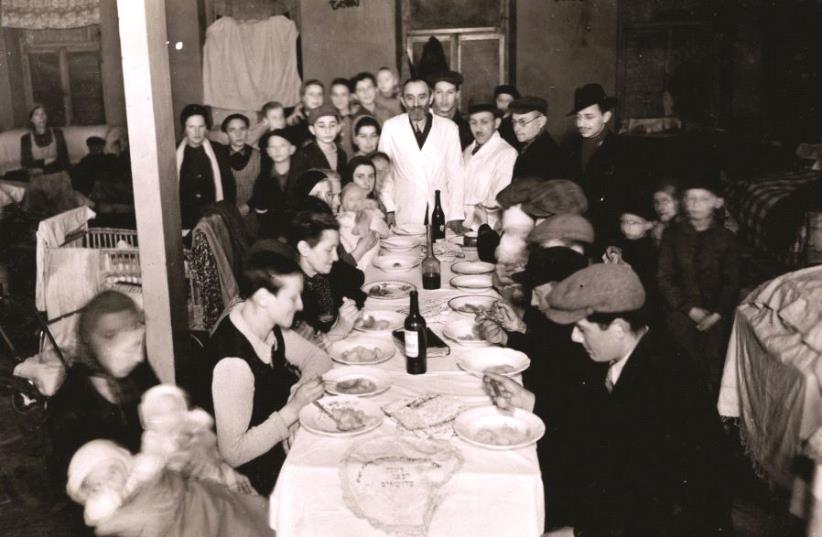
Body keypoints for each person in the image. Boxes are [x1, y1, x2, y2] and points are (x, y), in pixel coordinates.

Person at [486, 263, 732, 536]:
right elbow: (594, 416)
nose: (574, 337)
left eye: (582, 328)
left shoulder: (662, 384)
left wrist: (581, 533)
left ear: (617, 327)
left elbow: (651, 497)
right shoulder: (634, 351)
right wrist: (528, 400)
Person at [195, 250, 331, 496]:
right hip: (247, 480)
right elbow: (233, 454)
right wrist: (291, 412)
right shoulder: (234, 364)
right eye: (292, 298)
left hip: (272, 446)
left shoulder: (264, 324)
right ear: (263, 298)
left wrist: (294, 396)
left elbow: (318, 358)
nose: (300, 305)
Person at [49, 291, 159, 484]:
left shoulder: (137, 373)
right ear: (96, 340)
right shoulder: (68, 407)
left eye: (137, 344)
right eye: (128, 349)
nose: (139, 358)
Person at [657, 174, 740, 397]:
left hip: (716, 316)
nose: (694, 205)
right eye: (690, 199)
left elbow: (732, 282)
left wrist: (717, 314)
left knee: (714, 368)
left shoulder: (726, 239)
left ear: (717, 202)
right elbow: (665, 278)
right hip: (680, 313)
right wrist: (688, 309)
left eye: (703, 199)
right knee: (681, 368)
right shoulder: (672, 235)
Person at [378, 78, 465, 229]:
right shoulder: (391, 128)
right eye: (410, 98)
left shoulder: (449, 128)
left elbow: (456, 174)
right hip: (404, 211)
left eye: (422, 97)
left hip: (440, 210)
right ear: (403, 100)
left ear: (431, 98)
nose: (416, 104)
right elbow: (385, 173)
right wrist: (389, 208)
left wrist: (455, 214)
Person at [284, 208, 366, 344]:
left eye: (336, 249)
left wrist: (351, 305)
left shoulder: (327, 267)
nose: (335, 257)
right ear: (304, 248)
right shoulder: (288, 292)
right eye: (329, 249)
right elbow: (304, 352)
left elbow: (357, 278)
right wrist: (339, 329)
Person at [560, 83, 626, 246]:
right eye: (578, 117)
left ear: (606, 117)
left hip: (605, 231)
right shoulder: (570, 146)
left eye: (589, 117)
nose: (580, 124)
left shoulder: (621, 149)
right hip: (574, 228)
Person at [176, 104, 236, 229]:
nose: (196, 132)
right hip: (183, 221)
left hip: (212, 221)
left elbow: (229, 186)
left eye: (201, 126)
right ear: (184, 128)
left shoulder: (218, 151)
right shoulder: (173, 152)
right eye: (191, 127)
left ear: (206, 128)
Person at [462, 101, 517, 230]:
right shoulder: (467, 151)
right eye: (473, 122)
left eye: (484, 122)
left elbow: (496, 200)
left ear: (497, 123)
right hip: (461, 227)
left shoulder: (507, 153)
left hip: (487, 228)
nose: (478, 128)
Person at [249, 129, 305, 238]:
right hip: (272, 235)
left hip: (300, 233)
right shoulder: (262, 181)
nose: (277, 150)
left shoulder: (303, 177)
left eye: (282, 146)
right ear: (268, 151)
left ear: (292, 149)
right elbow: (262, 217)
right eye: (273, 147)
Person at [509, 97, 564, 180]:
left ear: (541, 121)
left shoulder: (548, 155)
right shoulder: (527, 144)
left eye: (522, 122)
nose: (516, 128)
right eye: (514, 122)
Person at [221, 114, 260, 215]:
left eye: (242, 129)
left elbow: (263, 188)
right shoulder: (218, 155)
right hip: (224, 215)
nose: (238, 134)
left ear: (248, 131)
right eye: (232, 130)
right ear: (226, 134)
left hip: (251, 215)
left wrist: (249, 206)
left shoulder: (258, 156)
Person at [20, 104, 70, 175]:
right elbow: (26, 164)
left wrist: (42, 168)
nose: (41, 117)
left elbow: (64, 160)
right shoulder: (26, 139)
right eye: (36, 114)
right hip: (37, 177)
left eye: (43, 113)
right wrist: (45, 161)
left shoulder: (57, 133)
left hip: (58, 175)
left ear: (46, 116)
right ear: (31, 119)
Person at [429, 70, 473, 150]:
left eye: (450, 92)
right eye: (439, 92)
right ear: (432, 94)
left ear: (457, 95)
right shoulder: (422, 123)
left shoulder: (467, 129)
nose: (444, 98)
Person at [300, 104, 347, 175]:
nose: (327, 131)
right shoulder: (304, 156)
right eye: (322, 126)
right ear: (312, 129)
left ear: (338, 128)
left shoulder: (342, 155)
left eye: (332, 125)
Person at [285, 79, 325, 148]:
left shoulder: (327, 116)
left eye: (320, 94)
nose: (316, 98)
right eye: (311, 94)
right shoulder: (293, 116)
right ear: (303, 98)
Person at [650, 176, 681, 247]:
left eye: (665, 201)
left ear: (678, 201)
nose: (660, 207)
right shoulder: (657, 228)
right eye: (656, 202)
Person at [329, 77, 356, 157]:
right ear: (331, 97)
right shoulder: (329, 118)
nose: (339, 99)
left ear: (350, 97)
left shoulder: (356, 118)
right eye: (335, 95)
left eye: (343, 95)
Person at [494, 84, 520, 149]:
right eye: (500, 100)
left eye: (508, 101)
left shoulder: (514, 122)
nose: (504, 104)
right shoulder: (492, 119)